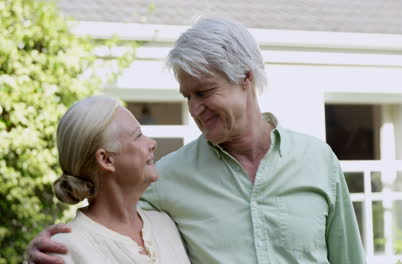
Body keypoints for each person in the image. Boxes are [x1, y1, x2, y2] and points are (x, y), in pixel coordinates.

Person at [28, 18, 365, 264]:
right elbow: (107, 223)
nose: (195, 109)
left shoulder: (318, 160)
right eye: (187, 96)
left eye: (204, 92)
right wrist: (42, 252)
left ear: (245, 78)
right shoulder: (166, 178)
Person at [40, 96, 190, 263]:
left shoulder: (164, 225)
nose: (152, 143)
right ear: (106, 160)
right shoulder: (63, 250)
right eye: (138, 136)